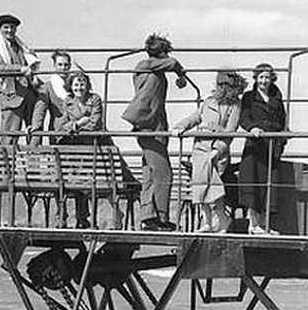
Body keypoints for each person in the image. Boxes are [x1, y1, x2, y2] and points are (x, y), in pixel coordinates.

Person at [121, 33, 188, 232]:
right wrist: (180, 73)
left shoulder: (154, 70)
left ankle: (150, 216)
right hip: (147, 124)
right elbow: (173, 62)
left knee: (150, 172)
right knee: (163, 172)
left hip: (155, 125)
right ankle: (158, 217)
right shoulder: (145, 65)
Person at [176, 70, 246, 233]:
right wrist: (180, 126)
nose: (222, 88)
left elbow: (230, 131)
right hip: (200, 148)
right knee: (200, 186)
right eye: (220, 84)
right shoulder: (208, 102)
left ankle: (223, 220)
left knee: (214, 187)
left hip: (216, 151)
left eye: (226, 85)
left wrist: (218, 150)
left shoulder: (235, 106)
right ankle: (207, 221)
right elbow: (195, 117)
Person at [238, 63, 287, 234]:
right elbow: (243, 117)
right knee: (255, 183)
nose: (264, 81)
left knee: (269, 185)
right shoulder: (249, 97)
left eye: (267, 77)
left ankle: (265, 225)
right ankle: (253, 225)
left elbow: (282, 120)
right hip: (256, 145)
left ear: (271, 78)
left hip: (272, 146)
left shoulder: (277, 98)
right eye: (261, 77)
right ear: (256, 78)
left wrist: (284, 136)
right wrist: (252, 128)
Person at [55, 71, 106, 228]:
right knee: (65, 181)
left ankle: (83, 218)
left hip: (89, 148)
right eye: (76, 84)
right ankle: (63, 217)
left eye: (82, 83)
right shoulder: (68, 101)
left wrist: (77, 126)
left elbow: (94, 123)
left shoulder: (95, 99)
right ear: (71, 86)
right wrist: (78, 124)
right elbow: (62, 125)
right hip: (71, 148)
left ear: (87, 85)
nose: (79, 87)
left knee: (85, 183)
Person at [0, 14, 41, 145]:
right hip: (12, 97)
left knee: (35, 135)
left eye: (12, 27)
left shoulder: (24, 48)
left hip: (30, 95)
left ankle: (33, 164)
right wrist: (20, 69)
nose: (9, 30)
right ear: (0, 29)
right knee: (10, 136)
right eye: (6, 27)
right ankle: (6, 165)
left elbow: (33, 65)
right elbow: (0, 67)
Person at [30, 50, 75, 145]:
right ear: (54, 66)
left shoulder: (76, 85)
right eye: (60, 64)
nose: (63, 68)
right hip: (58, 131)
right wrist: (36, 127)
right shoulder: (48, 87)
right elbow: (40, 110)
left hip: (77, 130)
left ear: (70, 66)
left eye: (66, 65)